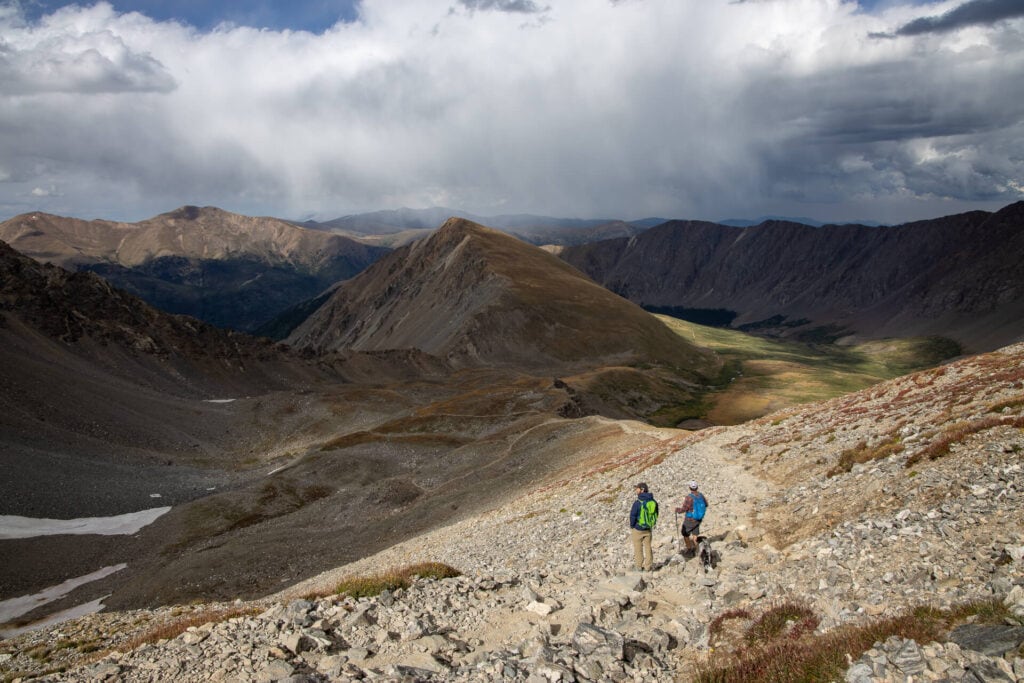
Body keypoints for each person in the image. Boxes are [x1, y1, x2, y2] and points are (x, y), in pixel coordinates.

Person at [629, 482, 658, 571]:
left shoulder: (638, 502)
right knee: (648, 547)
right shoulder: (653, 501)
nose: (636, 490)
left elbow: (632, 515)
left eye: (637, 488)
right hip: (648, 528)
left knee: (638, 547)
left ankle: (638, 566)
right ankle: (648, 566)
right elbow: (656, 513)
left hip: (638, 528)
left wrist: (632, 525)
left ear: (642, 490)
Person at [675, 480, 708, 556]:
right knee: (695, 534)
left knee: (685, 534)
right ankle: (697, 549)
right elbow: (706, 504)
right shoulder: (701, 495)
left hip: (690, 519)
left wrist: (677, 510)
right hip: (698, 519)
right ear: (697, 487)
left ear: (689, 488)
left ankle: (689, 549)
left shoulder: (689, 497)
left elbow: (684, 509)